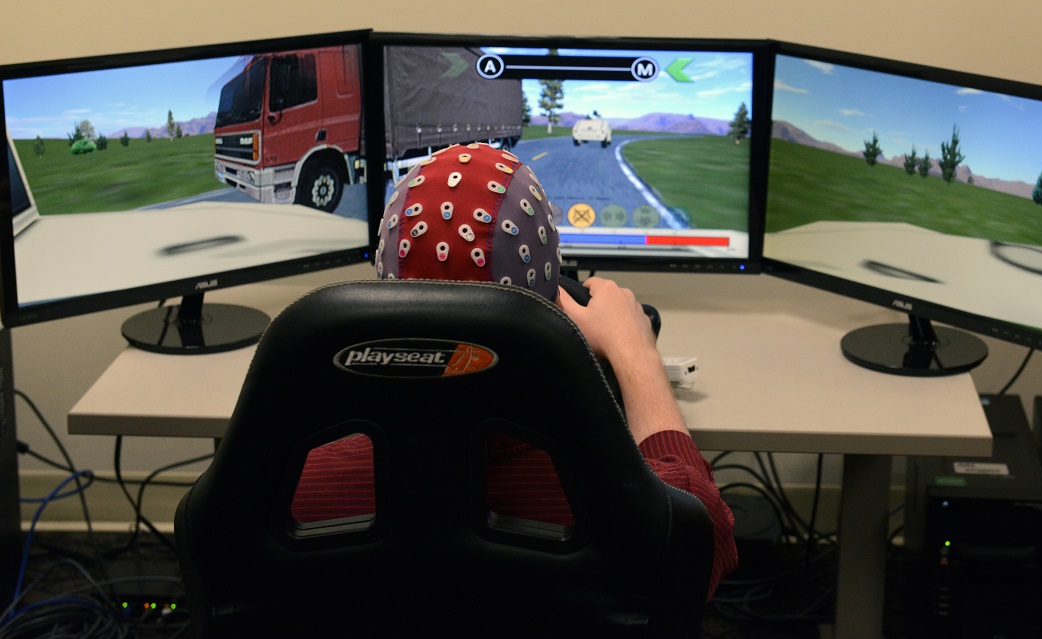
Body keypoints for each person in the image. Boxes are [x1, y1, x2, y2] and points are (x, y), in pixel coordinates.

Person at [291, 143, 736, 599]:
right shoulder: (599, 492)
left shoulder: (290, 485)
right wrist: (634, 352)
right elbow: (706, 540)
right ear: (554, 299)